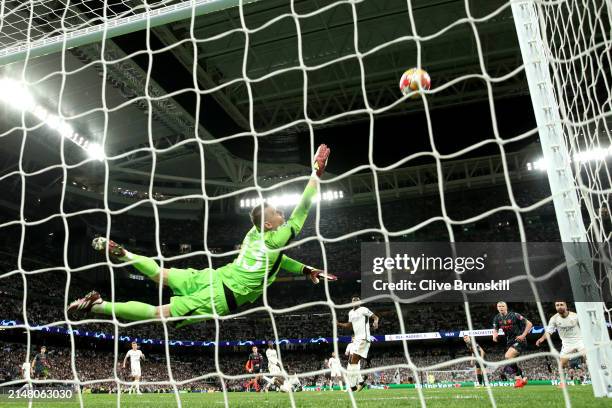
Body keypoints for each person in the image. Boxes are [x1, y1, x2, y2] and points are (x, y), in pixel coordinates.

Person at [68, 145, 336, 327]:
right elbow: (302, 210)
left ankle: (126, 254)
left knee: (161, 274)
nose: (281, 212)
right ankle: (99, 306)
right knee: (158, 314)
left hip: (215, 276)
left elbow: (278, 261)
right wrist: (315, 173)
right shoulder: (276, 238)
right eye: (277, 212)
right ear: (268, 224)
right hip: (220, 296)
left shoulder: (254, 235)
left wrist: (304, 269)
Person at [536, 301, 585, 386]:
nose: (559, 307)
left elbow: (585, 327)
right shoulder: (554, 319)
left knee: (589, 358)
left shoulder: (575, 316)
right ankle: (563, 383)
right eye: (557, 305)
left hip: (580, 341)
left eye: (561, 305)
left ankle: (598, 379)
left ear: (566, 306)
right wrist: (542, 338)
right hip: (567, 344)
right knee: (561, 364)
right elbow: (549, 331)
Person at [337, 296, 379, 392]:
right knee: (351, 362)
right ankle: (358, 383)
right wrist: (338, 324)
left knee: (353, 362)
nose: (355, 302)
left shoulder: (364, 309)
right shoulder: (350, 313)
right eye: (353, 301)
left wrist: (376, 322)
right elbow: (349, 325)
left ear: (360, 302)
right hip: (356, 339)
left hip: (364, 338)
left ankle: (354, 385)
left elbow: (375, 317)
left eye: (357, 301)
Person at [492, 301, 533, 388]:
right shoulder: (497, 318)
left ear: (506, 307)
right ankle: (523, 379)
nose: (501, 308)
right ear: (497, 308)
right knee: (510, 362)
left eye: (502, 306)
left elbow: (529, 324)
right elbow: (495, 329)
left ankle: (518, 380)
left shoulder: (514, 315)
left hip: (519, 340)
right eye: (499, 306)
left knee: (508, 356)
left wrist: (523, 335)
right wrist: (494, 335)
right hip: (509, 342)